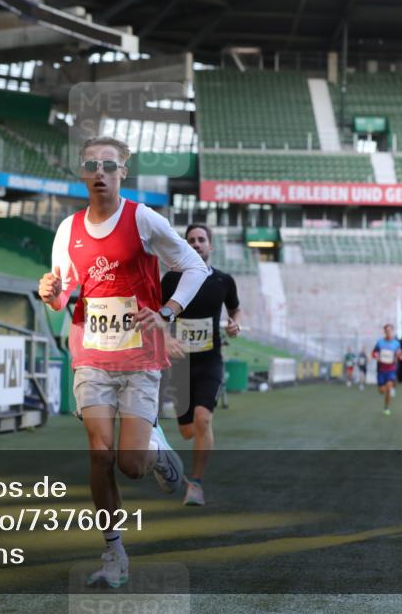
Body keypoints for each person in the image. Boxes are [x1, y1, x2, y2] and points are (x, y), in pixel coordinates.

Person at [37, 136, 208, 588]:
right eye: (91, 164)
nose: (99, 172)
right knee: (100, 453)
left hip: (139, 357)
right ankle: (113, 553)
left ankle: (153, 447)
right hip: (91, 354)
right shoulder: (68, 230)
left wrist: (167, 310)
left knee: (130, 465)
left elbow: (194, 267)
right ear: (82, 172)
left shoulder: (143, 219)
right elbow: (61, 294)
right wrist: (52, 292)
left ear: (122, 173)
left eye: (108, 166)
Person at [160, 224, 241, 506]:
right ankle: (197, 435)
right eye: (191, 240)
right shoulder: (170, 280)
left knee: (203, 418)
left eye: (201, 240)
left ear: (210, 246)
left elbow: (235, 309)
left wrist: (235, 323)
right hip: (180, 366)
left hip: (210, 361)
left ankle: (195, 484)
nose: (196, 244)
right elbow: (158, 316)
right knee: (187, 430)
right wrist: (167, 339)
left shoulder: (223, 281)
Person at [372, 324, 402, 416]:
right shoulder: (380, 342)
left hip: (391, 369)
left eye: (390, 330)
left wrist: (400, 356)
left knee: (389, 388)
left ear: (392, 331)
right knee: (382, 391)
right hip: (381, 370)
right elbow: (374, 353)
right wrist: (376, 357)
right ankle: (390, 388)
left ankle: (386, 407)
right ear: (384, 331)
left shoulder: (396, 343)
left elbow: (400, 354)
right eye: (387, 330)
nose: (388, 332)